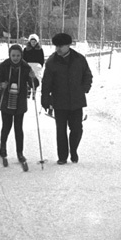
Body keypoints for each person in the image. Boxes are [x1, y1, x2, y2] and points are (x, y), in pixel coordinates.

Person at [41, 33, 93, 165]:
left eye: (61, 46)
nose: (58, 49)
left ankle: (74, 149)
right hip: (59, 101)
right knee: (61, 130)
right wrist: (45, 99)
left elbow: (87, 75)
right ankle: (62, 156)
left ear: (69, 45)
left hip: (76, 101)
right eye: (56, 46)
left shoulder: (79, 59)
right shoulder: (52, 61)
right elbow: (46, 82)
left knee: (77, 129)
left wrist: (84, 88)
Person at [0, 44, 39, 164]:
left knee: (18, 128)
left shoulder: (25, 66)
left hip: (20, 102)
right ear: (9, 55)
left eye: (18, 55)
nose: (15, 58)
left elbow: (35, 84)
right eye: (13, 55)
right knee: (6, 127)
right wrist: (1, 85)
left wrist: (33, 78)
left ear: (21, 55)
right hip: (6, 101)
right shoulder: (4, 66)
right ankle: (3, 150)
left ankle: (20, 153)